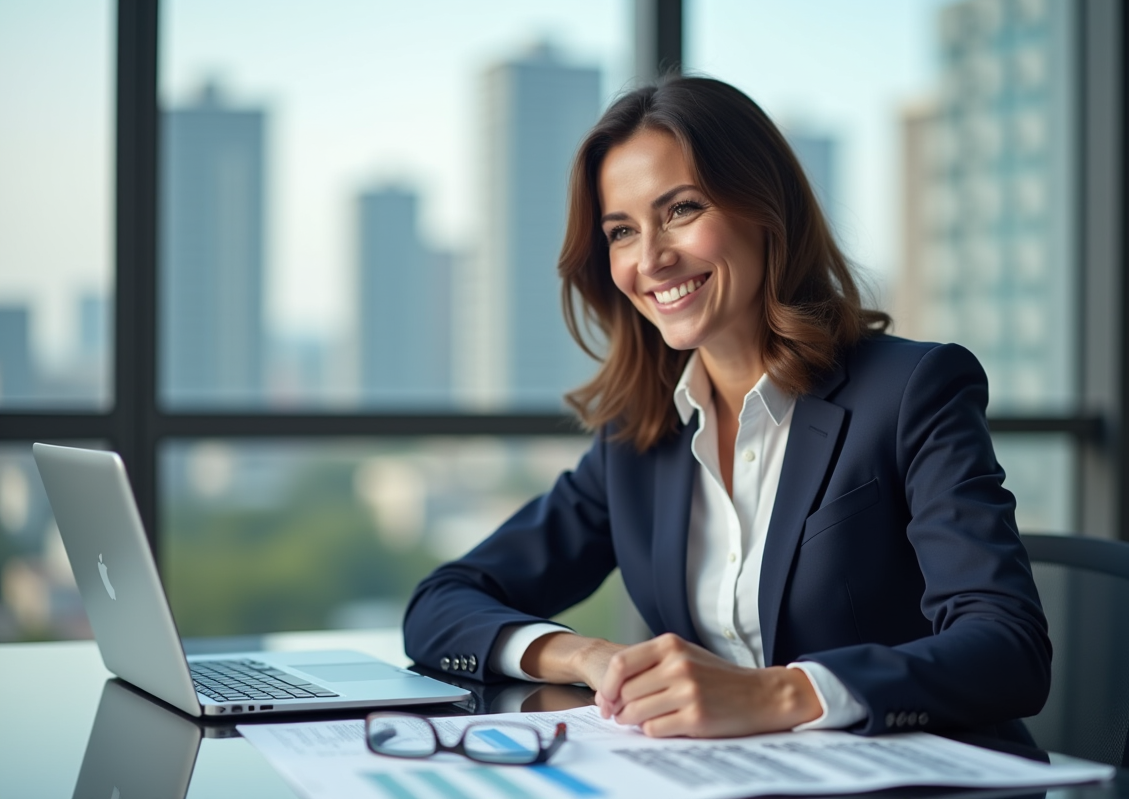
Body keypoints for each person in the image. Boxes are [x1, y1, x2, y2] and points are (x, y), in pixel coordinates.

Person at [404, 76, 1050, 741]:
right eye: (622, 230)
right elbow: (441, 605)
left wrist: (777, 695)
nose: (650, 258)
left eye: (681, 210)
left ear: (764, 208)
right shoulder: (642, 436)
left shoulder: (913, 388)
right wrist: (587, 658)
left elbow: (1008, 650)